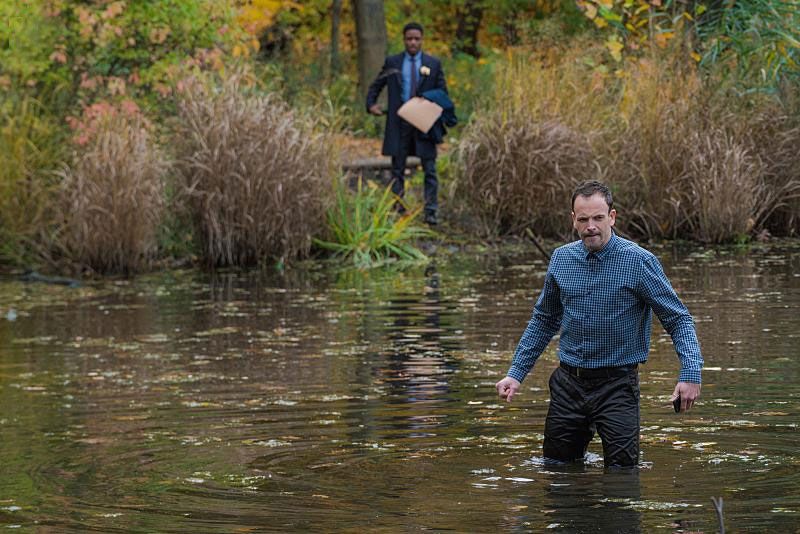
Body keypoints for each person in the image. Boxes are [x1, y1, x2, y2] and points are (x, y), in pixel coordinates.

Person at [495, 181, 703, 468]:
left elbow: (677, 319)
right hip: (568, 385)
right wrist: (516, 373)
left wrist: (690, 373)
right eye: (583, 219)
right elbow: (544, 320)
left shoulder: (638, 262)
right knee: (557, 471)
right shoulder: (562, 259)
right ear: (573, 220)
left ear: (612, 217)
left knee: (622, 474)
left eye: (598, 218)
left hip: (617, 386)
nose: (590, 226)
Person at [366, 22, 447, 226]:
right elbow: (377, 84)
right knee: (397, 168)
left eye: (416, 39)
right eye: (409, 39)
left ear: (422, 40)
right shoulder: (393, 62)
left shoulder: (433, 63)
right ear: (404, 40)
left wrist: (435, 112)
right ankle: (399, 208)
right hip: (399, 121)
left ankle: (430, 211)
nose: (413, 42)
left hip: (424, 122)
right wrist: (371, 104)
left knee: (429, 168)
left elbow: (442, 92)